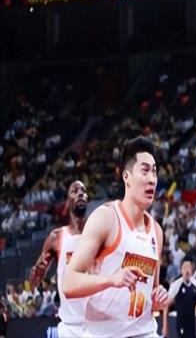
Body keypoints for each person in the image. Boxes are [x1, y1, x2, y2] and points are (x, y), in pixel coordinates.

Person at [63, 136, 168, 337]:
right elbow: (69, 283)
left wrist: (158, 296)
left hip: (145, 332)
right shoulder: (106, 218)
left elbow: (151, 293)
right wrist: (111, 280)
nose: (152, 179)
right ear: (126, 176)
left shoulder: (156, 231)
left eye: (154, 172)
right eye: (145, 171)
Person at [29, 180, 88, 338]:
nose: (81, 194)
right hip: (69, 326)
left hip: (95, 324)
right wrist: (36, 274)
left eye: (83, 191)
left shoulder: (98, 233)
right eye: (75, 191)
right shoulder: (57, 237)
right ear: (68, 202)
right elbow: (33, 283)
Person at [162, 258, 196, 338]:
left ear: (192, 269)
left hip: (192, 325)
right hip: (181, 324)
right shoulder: (176, 285)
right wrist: (165, 325)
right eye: (185, 267)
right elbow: (166, 304)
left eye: (189, 267)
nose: (187, 270)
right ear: (181, 270)